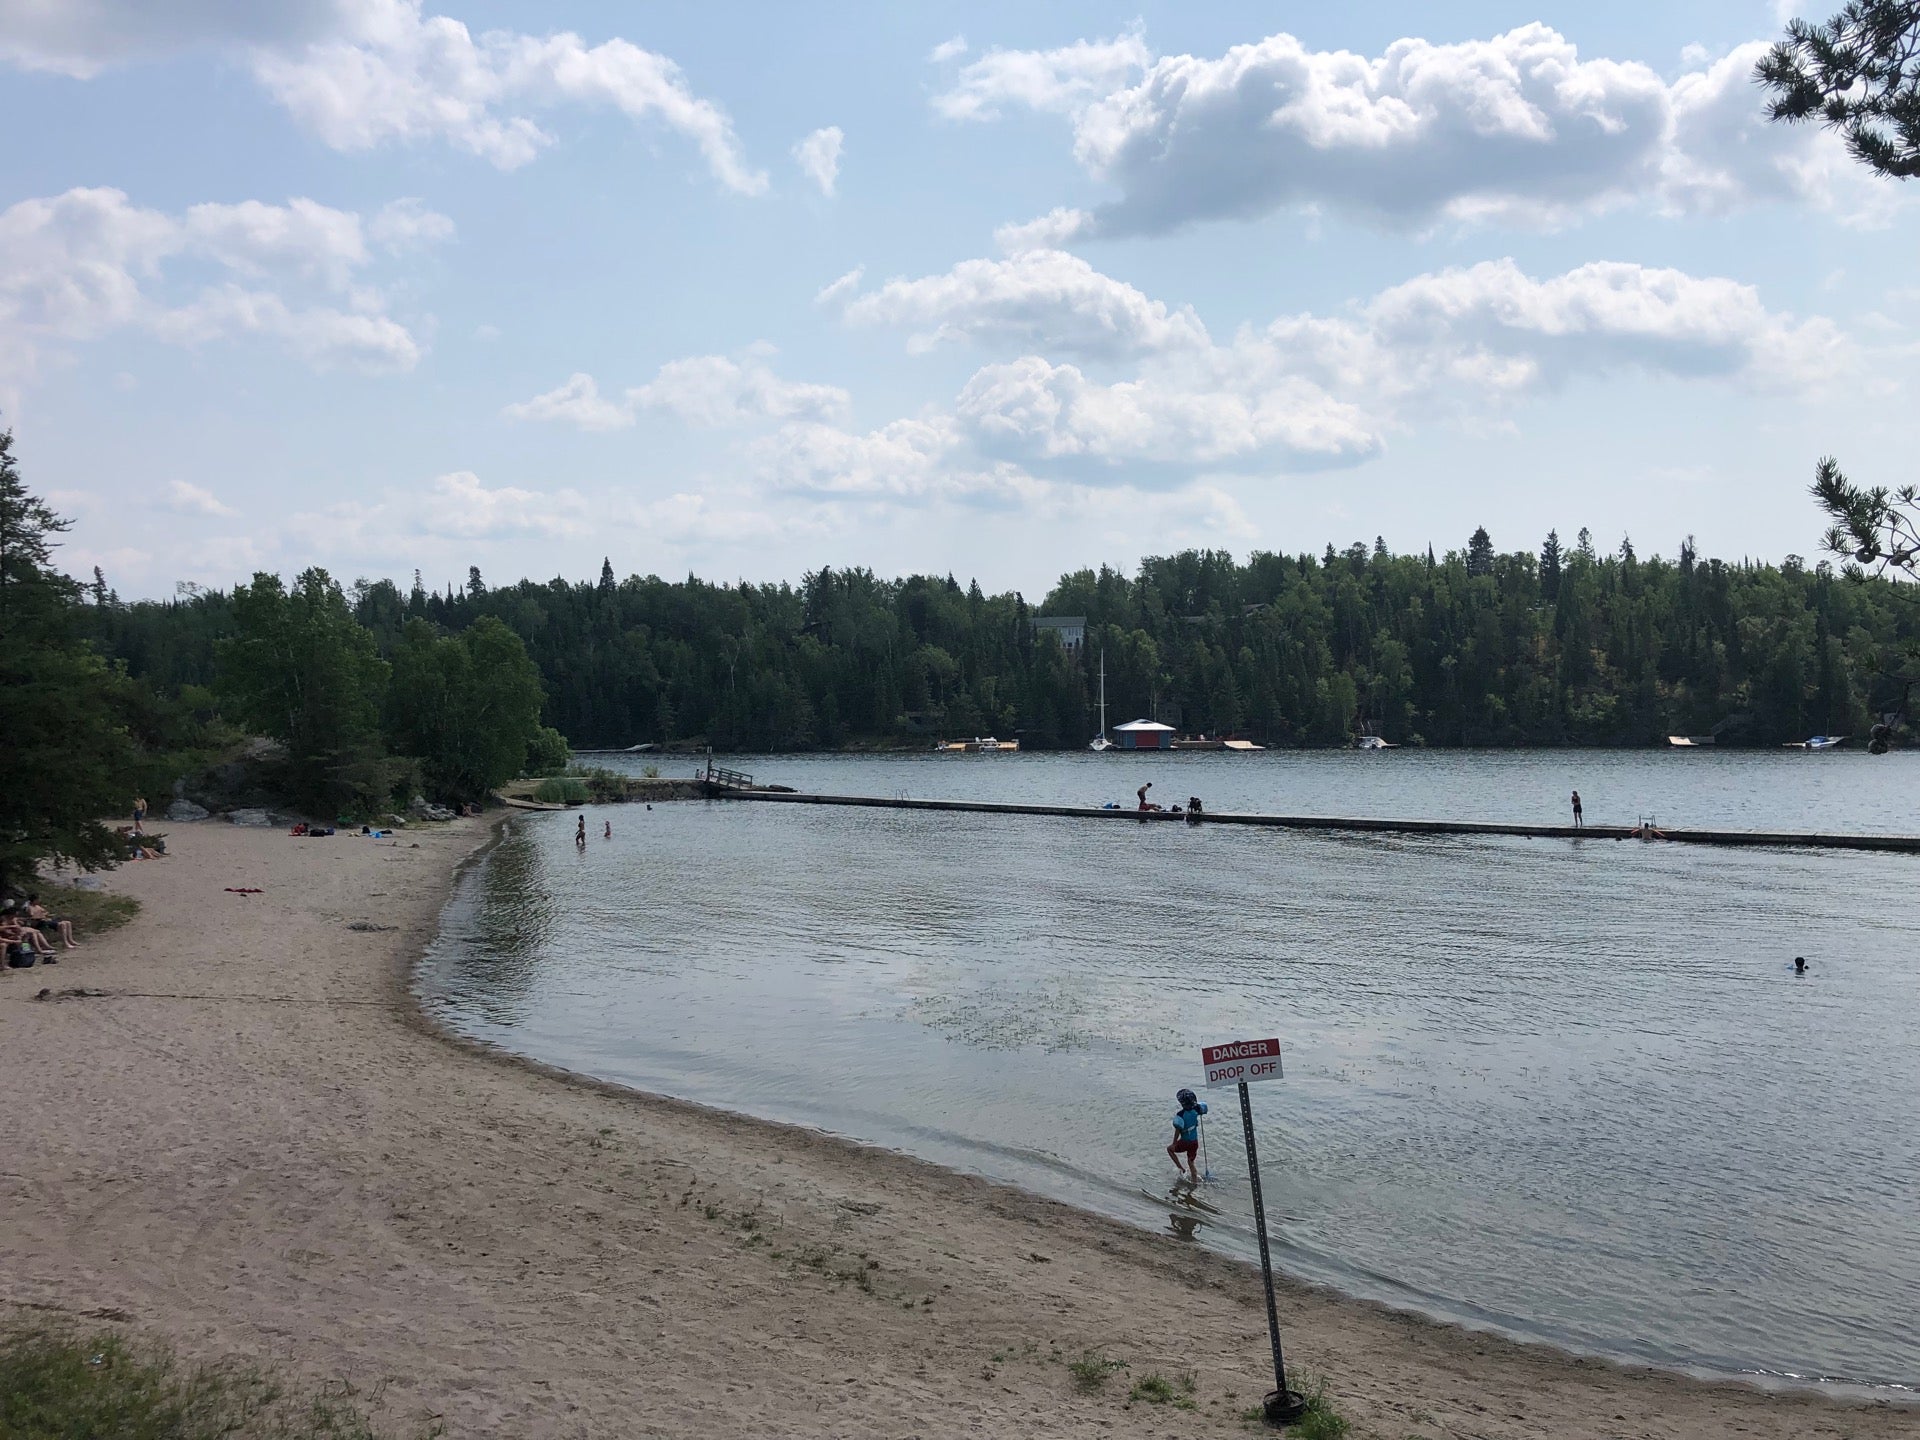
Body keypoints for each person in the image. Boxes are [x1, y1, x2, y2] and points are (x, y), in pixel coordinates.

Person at [1167, 1087, 1208, 1182]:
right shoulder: (1196, 1110)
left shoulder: (1180, 1115)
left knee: (1169, 1149)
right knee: (1191, 1162)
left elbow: (1177, 1131)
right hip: (1194, 1142)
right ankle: (1194, 1181)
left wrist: (1174, 1143)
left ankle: (1181, 1169)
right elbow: (1202, 1108)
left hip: (1185, 1142)